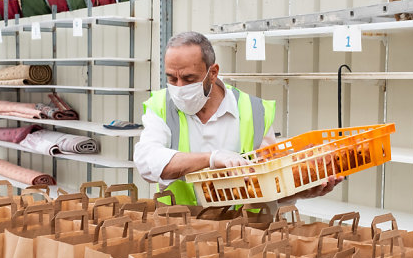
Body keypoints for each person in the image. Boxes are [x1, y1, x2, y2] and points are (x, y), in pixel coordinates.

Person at [134, 31, 342, 205]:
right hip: (180, 230)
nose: (179, 88)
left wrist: (300, 191)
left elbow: (270, 184)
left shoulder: (254, 111)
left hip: (242, 235)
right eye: (171, 78)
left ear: (213, 73)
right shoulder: (161, 105)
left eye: (189, 79)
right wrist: (212, 158)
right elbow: (147, 162)